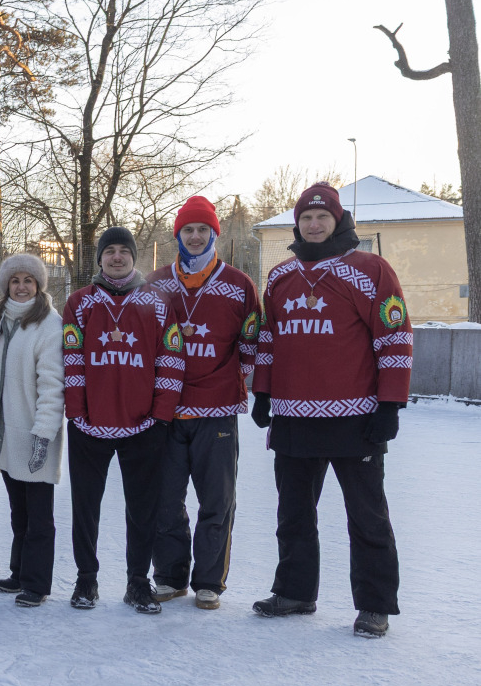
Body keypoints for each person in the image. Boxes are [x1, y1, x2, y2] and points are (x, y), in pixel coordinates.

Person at [250, 182, 411, 638]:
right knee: (293, 515)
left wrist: (390, 403)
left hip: (355, 418)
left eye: (322, 217)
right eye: (306, 218)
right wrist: (263, 392)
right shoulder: (280, 277)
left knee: (367, 516)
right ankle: (295, 592)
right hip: (293, 417)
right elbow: (268, 339)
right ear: (297, 224)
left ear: (338, 220)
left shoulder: (370, 270)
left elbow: (394, 337)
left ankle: (375, 605)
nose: (314, 224)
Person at [145, 197, 261, 610]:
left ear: (215, 234)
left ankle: (210, 581)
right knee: (165, 499)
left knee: (217, 500)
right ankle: (170, 576)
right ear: (178, 235)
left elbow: (252, 344)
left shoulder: (239, 285)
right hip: (168, 411)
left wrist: (233, 384)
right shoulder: (156, 283)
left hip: (216, 411)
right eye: (188, 230)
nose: (195, 237)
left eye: (203, 230)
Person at [62, 226, 185, 614]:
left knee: (143, 509)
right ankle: (86, 579)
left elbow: (171, 360)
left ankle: (137, 582)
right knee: (85, 507)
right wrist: (77, 413)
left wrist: (161, 416)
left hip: (142, 426)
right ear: (99, 258)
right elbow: (71, 360)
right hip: (90, 426)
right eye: (109, 251)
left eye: (124, 251)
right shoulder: (80, 302)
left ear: (133, 257)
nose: (117, 257)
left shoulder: (157, 302)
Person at [0, 254, 64, 607]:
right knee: (20, 511)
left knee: (39, 515)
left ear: (38, 285)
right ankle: (19, 572)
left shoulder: (49, 324)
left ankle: (36, 582)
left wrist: (43, 434)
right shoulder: (0, 320)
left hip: (33, 432)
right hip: (6, 432)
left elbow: (52, 385)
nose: (21, 286)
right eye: (15, 280)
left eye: (28, 280)